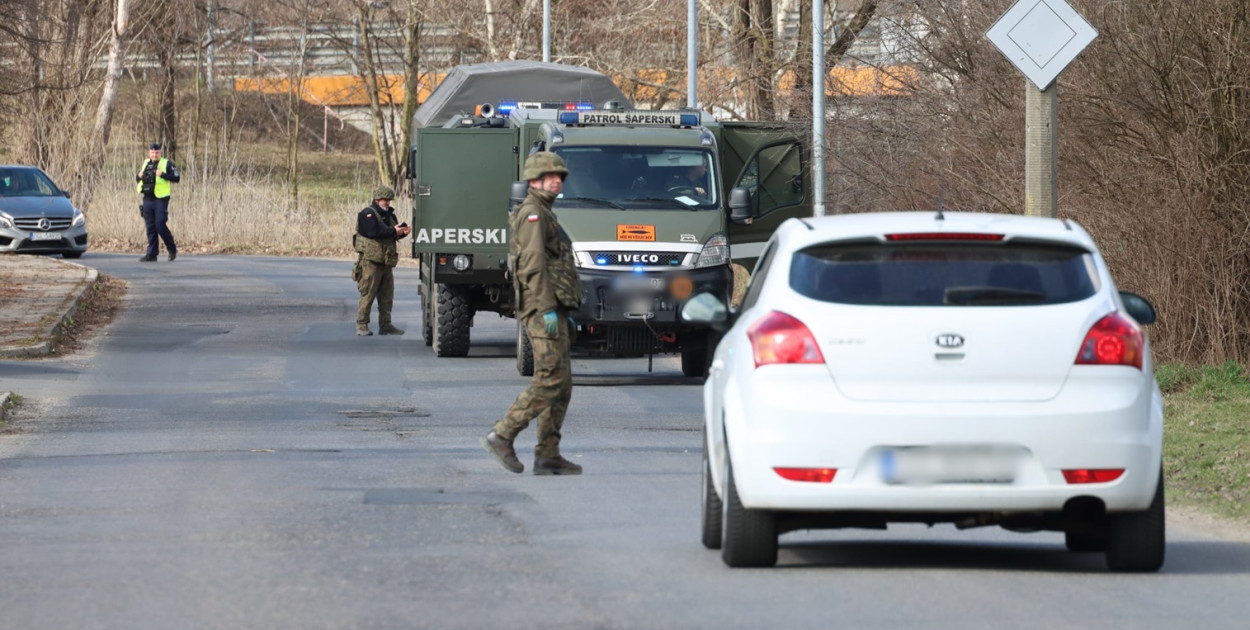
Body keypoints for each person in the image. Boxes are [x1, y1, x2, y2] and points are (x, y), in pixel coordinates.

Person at [481, 152, 583, 475]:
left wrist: (563, 308)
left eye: (559, 176)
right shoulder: (533, 213)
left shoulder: (546, 212)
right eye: (549, 176)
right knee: (550, 380)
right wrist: (547, 309)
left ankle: (548, 453)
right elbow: (533, 265)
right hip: (542, 309)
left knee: (562, 384)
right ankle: (503, 434)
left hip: (554, 307)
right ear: (534, 181)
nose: (556, 181)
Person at [354, 185, 410, 336]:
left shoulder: (389, 215)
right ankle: (362, 325)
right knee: (368, 294)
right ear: (377, 199)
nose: (387, 203)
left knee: (387, 297)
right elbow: (373, 232)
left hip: (386, 261)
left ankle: (385, 325)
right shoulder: (367, 214)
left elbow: (391, 234)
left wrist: (402, 232)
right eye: (385, 200)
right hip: (371, 262)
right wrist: (393, 230)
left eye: (389, 200)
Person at [136, 143, 180, 262]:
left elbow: (176, 177)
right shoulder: (146, 163)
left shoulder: (166, 163)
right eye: (152, 153)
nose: (154, 155)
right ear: (149, 153)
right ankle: (152, 254)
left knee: (160, 224)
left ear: (160, 153)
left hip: (161, 198)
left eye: (157, 153)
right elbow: (138, 179)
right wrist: (138, 176)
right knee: (150, 227)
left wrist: (163, 174)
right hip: (147, 198)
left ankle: (172, 249)